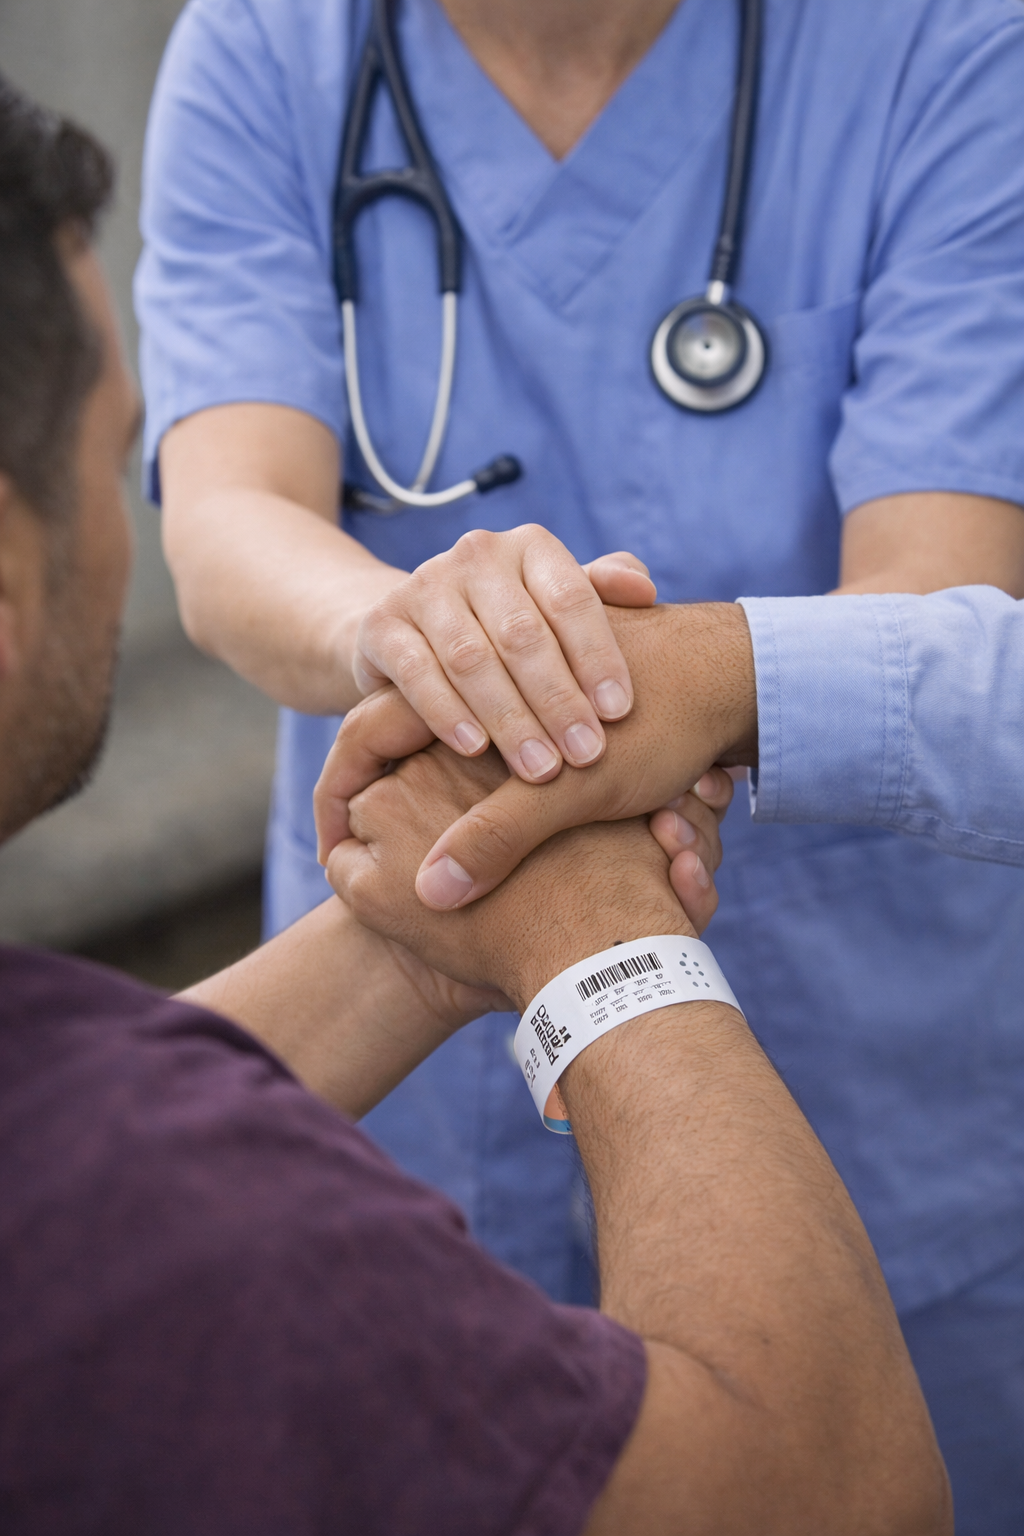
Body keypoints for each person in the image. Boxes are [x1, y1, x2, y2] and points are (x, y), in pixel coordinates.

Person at [0, 84, 951, 1533]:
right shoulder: (162, 1208)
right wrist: (596, 920)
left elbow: (103, 1128)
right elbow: (827, 1491)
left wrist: (410, 932)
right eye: (119, 450)